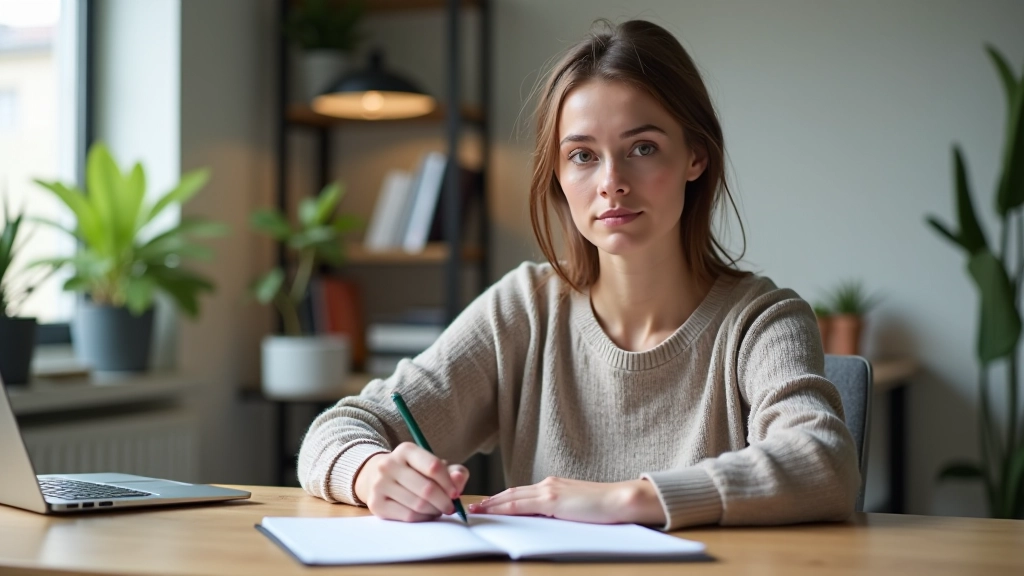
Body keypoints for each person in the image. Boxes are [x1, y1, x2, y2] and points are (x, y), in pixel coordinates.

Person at [297, 19, 859, 530]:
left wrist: (629, 498)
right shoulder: (524, 308)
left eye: (643, 147)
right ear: (559, 174)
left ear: (695, 156)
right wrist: (371, 473)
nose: (611, 182)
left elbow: (824, 461)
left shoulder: (762, 321)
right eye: (583, 156)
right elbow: (338, 429)